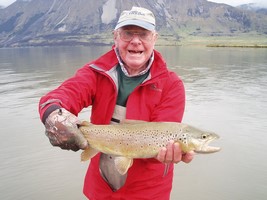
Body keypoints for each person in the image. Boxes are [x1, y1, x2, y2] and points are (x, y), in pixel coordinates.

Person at [39, 6, 194, 200]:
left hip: (149, 192)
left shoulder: (172, 85)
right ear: (116, 37)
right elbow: (61, 96)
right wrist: (53, 115)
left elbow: (164, 135)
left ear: (154, 38)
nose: (135, 41)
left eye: (143, 34)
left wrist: (169, 153)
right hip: (100, 189)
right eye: (128, 33)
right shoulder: (95, 73)